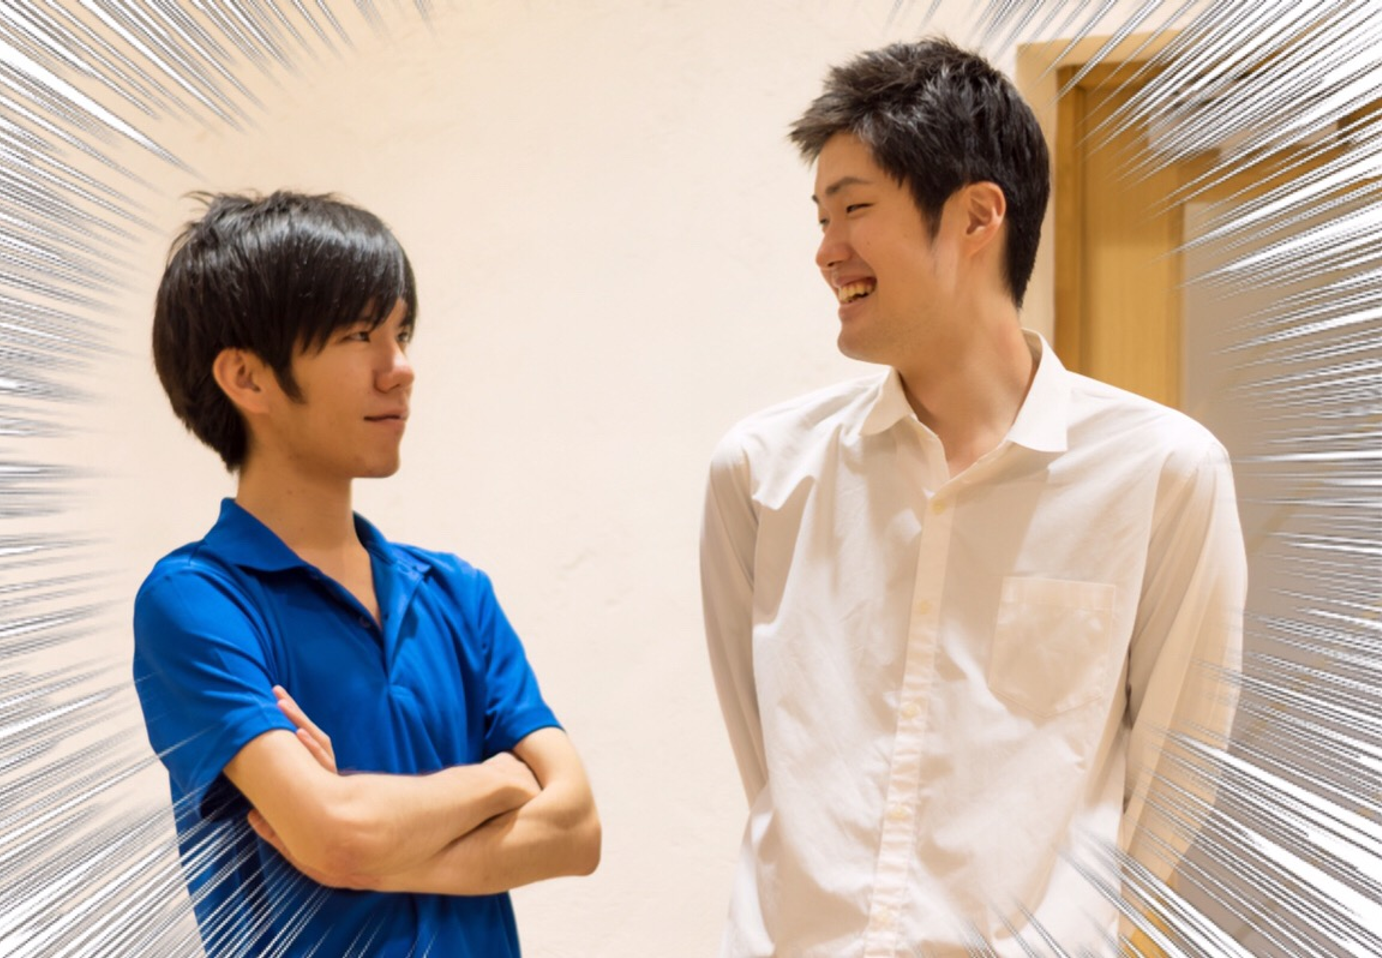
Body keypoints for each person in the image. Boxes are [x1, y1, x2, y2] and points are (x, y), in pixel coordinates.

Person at [699, 38, 1244, 957]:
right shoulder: (760, 474)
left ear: (978, 216)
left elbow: (1175, 778)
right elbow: (769, 764)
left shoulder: (1163, 474)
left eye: (854, 209)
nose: (827, 252)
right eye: (821, 218)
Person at [134, 191, 600, 957]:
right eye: (360, 335)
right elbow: (338, 834)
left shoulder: (457, 593)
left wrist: (362, 840)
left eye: (401, 333)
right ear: (247, 377)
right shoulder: (195, 602)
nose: (401, 369)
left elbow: (577, 831)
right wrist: (500, 781)